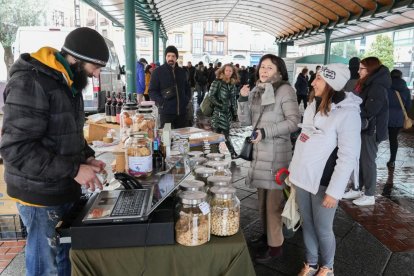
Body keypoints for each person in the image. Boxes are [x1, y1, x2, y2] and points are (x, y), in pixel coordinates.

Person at [0, 27, 108, 276]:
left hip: (62, 187)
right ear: (76, 59)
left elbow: (68, 133)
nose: (97, 73)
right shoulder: (31, 81)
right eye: (95, 66)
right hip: (38, 196)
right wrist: (74, 169)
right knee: (43, 267)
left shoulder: (69, 82)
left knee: (64, 260)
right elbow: (16, 149)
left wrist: (87, 157)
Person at [289, 63, 362, 276]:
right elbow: (304, 141)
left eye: (318, 79)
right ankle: (311, 263)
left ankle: (327, 267)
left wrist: (334, 191)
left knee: (323, 228)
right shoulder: (313, 104)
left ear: (331, 83)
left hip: (325, 181)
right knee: (308, 224)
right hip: (303, 176)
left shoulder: (348, 113)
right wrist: (294, 173)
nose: (313, 82)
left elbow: (348, 156)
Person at [238, 54, 300, 263]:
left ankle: (275, 248)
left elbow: (293, 122)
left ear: (279, 71)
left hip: (277, 157)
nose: (264, 71)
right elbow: (246, 121)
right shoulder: (258, 90)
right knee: (262, 203)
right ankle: (267, 238)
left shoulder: (285, 90)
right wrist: (243, 99)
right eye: (262, 67)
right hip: (259, 155)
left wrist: (266, 132)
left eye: (269, 68)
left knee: (274, 206)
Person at [342, 57, 390, 206]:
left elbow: (371, 110)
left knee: (368, 162)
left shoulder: (377, 86)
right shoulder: (368, 83)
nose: (358, 71)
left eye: (361, 68)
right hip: (364, 128)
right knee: (360, 160)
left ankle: (369, 194)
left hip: (371, 130)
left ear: (370, 70)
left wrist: (352, 107)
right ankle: (357, 188)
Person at [148, 45, 191, 128]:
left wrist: (186, 99)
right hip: (166, 113)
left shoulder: (182, 72)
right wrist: (162, 102)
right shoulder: (157, 72)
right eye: (168, 56)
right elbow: (152, 91)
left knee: (182, 137)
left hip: (182, 113)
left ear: (176, 58)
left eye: (173, 56)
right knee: (167, 138)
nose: (170, 58)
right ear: (165, 57)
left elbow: (187, 87)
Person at [208, 64, 239, 159]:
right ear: (223, 71)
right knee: (217, 134)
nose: (228, 72)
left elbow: (233, 99)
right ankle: (228, 153)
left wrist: (235, 112)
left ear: (233, 72)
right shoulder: (217, 82)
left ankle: (224, 153)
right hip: (218, 113)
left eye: (231, 71)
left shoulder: (232, 84)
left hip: (227, 114)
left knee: (225, 134)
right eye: (227, 70)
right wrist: (221, 105)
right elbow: (211, 96)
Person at [386, 69, 412, 168]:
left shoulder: (386, 87)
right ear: (401, 77)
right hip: (398, 119)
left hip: (384, 117)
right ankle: (392, 160)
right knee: (393, 139)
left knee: (377, 137)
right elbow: (408, 106)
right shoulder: (405, 90)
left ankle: (371, 157)